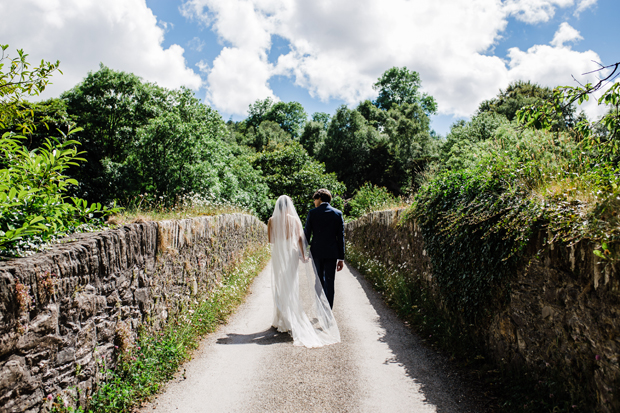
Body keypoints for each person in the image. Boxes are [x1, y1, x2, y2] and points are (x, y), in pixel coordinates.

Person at [267, 195, 340, 348]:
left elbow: (271, 241)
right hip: (291, 253)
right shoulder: (293, 220)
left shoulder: (271, 220)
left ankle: (280, 318)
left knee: (280, 284)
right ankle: (290, 318)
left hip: (278, 254)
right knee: (291, 284)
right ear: (288, 206)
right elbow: (300, 239)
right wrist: (303, 255)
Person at [303, 189, 345, 309]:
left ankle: (320, 309)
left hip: (316, 252)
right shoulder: (338, 213)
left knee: (319, 280)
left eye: (315, 200)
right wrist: (341, 258)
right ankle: (329, 311)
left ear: (319, 198)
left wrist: (303, 252)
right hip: (332, 253)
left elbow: (307, 234)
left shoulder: (312, 213)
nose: (314, 202)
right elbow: (340, 237)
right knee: (330, 282)